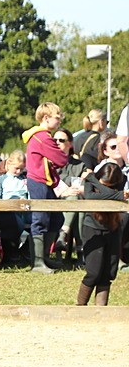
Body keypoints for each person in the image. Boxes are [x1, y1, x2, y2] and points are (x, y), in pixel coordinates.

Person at [22, 103, 69, 273]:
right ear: (46, 118)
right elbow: (61, 159)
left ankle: (45, 258)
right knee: (40, 219)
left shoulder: (42, 136)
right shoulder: (43, 137)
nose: (59, 121)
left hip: (44, 181)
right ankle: (38, 262)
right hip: (38, 181)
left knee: (56, 219)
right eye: (57, 118)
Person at [77, 161, 125, 305]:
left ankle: (101, 311)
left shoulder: (117, 182)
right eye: (102, 184)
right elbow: (90, 197)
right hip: (92, 229)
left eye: (109, 186)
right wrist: (92, 180)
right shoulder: (90, 183)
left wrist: (93, 180)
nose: (105, 188)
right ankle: (80, 308)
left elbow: (115, 194)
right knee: (93, 273)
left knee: (109, 273)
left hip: (113, 228)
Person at [53, 128, 88, 263]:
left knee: (77, 202)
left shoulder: (80, 165)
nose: (57, 143)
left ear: (70, 144)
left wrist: (80, 187)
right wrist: (65, 190)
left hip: (76, 201)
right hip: (54, 200)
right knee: (77, 202)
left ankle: (62, 237)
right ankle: (81, 253)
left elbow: (86, 184)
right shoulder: (50, 163)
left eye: (61, 140)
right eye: (54, 140)